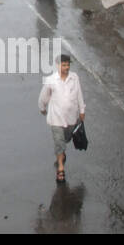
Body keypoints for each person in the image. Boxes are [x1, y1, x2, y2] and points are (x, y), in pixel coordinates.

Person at [39, 54, 85, 184]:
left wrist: (82, 110)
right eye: (64, 65)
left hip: (71, 118)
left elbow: (79, 94)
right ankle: (60, 167)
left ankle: (61, 153)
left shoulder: (74, 78)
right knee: (59, 142)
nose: (66, 67)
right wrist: (42, 108)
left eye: (68, 65)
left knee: (66, 139)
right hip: (56, 118)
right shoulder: (51, 80)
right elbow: (43, 97)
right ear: (58, 65)